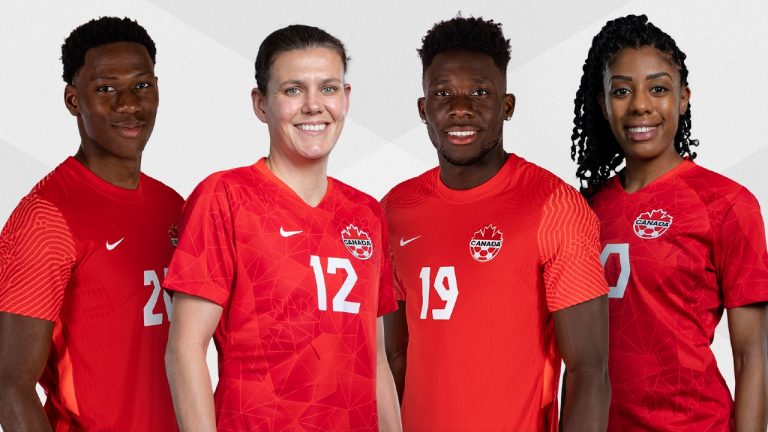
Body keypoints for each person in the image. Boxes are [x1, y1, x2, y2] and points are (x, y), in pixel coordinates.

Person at [164, 24, 401, 431]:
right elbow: (185, 348)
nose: (313, 105)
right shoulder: (225, 197)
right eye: (293, 90)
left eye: (328, 88)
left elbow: (374, 356)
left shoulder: (366, 213)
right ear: (261, 104)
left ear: (346, 98)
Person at [382, 15, 610, 431]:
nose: (461, 108)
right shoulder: (394, 211)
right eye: (443, 93)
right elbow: (395, 357)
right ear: (423, 108)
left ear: (507, 106)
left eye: (480, 92)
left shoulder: (555, 206)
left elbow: (588, 371)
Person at [571, 14, 768, 431]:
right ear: (604, 105)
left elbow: (753, 355)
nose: (640, 104)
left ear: (683, 98)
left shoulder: (727, 204)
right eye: (621, 91)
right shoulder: (579, 211)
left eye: (658, 88)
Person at [0, 17, 181, 431]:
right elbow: (10, 386)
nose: (128, 104)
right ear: (73, 100)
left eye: (142, 85)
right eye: (105, 89)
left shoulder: (174, 206)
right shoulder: (45, 219)